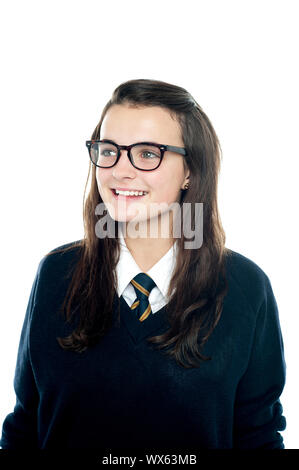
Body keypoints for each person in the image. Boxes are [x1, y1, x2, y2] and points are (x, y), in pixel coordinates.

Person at [1, 79, 286, 450]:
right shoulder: (57, 273)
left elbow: (258, 435)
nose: (121, 170)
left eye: (148, 153)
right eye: (109, 150)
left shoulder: (246, 287)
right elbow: (26, 425)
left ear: (190, 171)